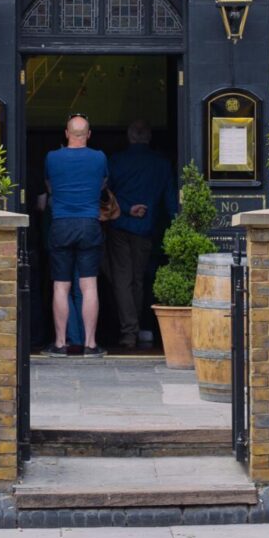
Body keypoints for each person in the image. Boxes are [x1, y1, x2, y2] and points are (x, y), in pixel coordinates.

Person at [39, 114, 109, 357]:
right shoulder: (99, 157)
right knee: (89, 285)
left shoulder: (52, 158)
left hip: (61, 223)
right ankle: (90, 344)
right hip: (89, 223)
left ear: (67, 133)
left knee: (61, 286)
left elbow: (49, 186)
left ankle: (60, 343)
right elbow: (102, 183)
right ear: (88, 135)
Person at [105, 121, 173, 350]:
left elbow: (105, 193)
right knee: (138, 279)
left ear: (129, 136)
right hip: (145, 228)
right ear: (149, 137)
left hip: (118, 226)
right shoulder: (161, 164)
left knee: (123, 280)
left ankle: (129, 332)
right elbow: (171, 202)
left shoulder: (116, 161)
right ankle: (137, 328)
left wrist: (124, 208)